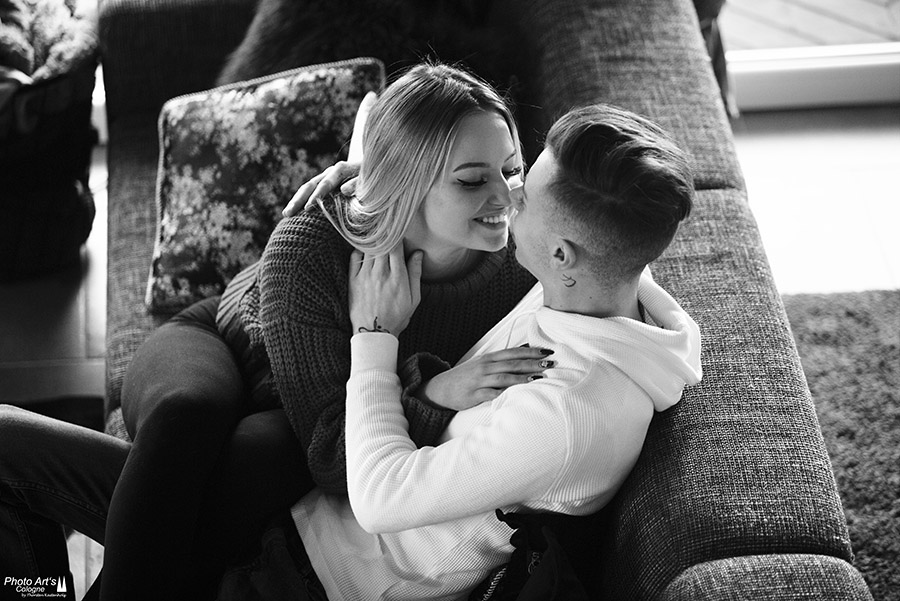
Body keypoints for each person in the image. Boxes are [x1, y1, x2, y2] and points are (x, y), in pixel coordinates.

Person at [0, 62, 549, 600]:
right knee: (187, 414)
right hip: (225, 345)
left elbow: (332, 460)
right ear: (407, 182)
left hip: (299, 417)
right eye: (473, 180)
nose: (505, 197)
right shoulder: (313, 244)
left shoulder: (525, 257)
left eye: (511, 169)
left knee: (266, 460)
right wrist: (431, 393)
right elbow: (337, 456)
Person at [224, 102, 702, 600]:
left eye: (523, 196)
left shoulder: (566, 415)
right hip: (301, 533)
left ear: (561, 254)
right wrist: (399, 179)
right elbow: (610, 234)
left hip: (323, 581)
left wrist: (373, 335)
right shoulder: (604, 289)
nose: (507, 197)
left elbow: (378, 498)